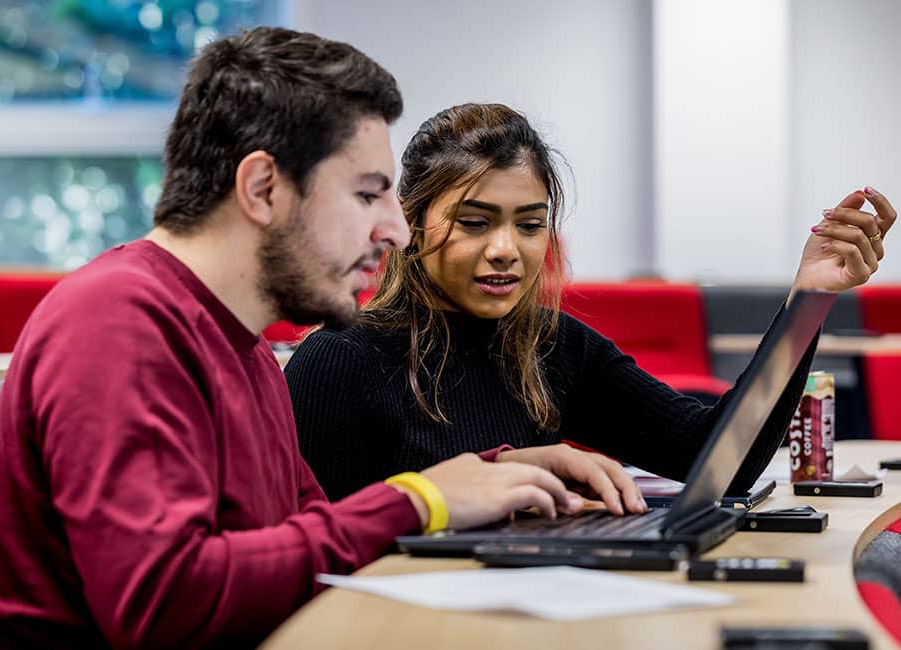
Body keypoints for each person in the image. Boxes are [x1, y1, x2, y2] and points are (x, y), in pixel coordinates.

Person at [0, 30, 608, 649]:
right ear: (263, 189)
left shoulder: (245, 348)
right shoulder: (118, 322)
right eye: (366, 195)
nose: (398, 231)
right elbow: (164, 606)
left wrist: (482, 480)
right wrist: (420, 499)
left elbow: (314, 548)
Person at [285, 102, 896, 503]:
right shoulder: (341, 359)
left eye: (530, 225)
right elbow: (323, 551)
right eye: (474, 222)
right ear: (411, 225)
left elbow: (719, 459)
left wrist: (809, 300)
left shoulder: (550, 345)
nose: (506, 250)